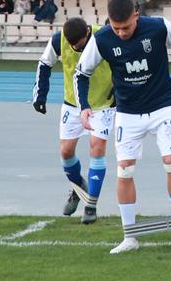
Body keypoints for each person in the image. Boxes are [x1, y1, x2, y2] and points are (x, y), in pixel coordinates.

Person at [75, 0, 171, 254]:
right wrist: (84, 106)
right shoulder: (101, 39)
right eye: (116, 28)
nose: (121, 33)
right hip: (127, 112)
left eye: (126, 26)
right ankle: (130, 236)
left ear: (136, 14)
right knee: (124, 169)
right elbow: (82, 72)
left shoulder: (157, 26)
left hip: (162, 105)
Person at [33, 16, 117, 224]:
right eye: (71, 45)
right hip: (73, 105)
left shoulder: (104, 35)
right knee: (66, 152)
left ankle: (91, 204)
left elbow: (120, 60)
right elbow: (44, 64)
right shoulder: (58, 40)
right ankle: (79, 188)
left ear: (87, 34)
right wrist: (40, 95)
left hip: (102, 104)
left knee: (96, 149)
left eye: (77, 45)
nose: (73, 48)